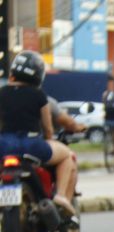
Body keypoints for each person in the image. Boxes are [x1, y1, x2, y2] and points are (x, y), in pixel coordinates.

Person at [0, 51, 76, 216]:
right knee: (67, 155)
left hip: (4, 146)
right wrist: (50, 140)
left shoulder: (2, 92)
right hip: (33, 146)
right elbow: (48, 129)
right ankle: (61, 196)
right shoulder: (39, 95)